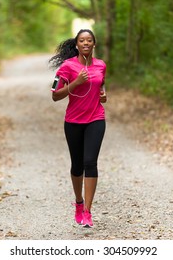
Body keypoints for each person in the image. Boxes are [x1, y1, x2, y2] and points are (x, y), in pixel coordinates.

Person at [49, 29, 107, 228]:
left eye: (89, 40)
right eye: (82, 40)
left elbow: (101, 83)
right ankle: (78, 202)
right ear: (76, 45)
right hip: (73, 121)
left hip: (96, 118)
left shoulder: (101, 65)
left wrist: (103, 93)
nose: (85, 43)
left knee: (90, 162)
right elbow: (55, 95)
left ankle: (88, 212)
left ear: (94, 44)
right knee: (77, 165)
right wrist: (76, 83)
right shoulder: (67, 66)